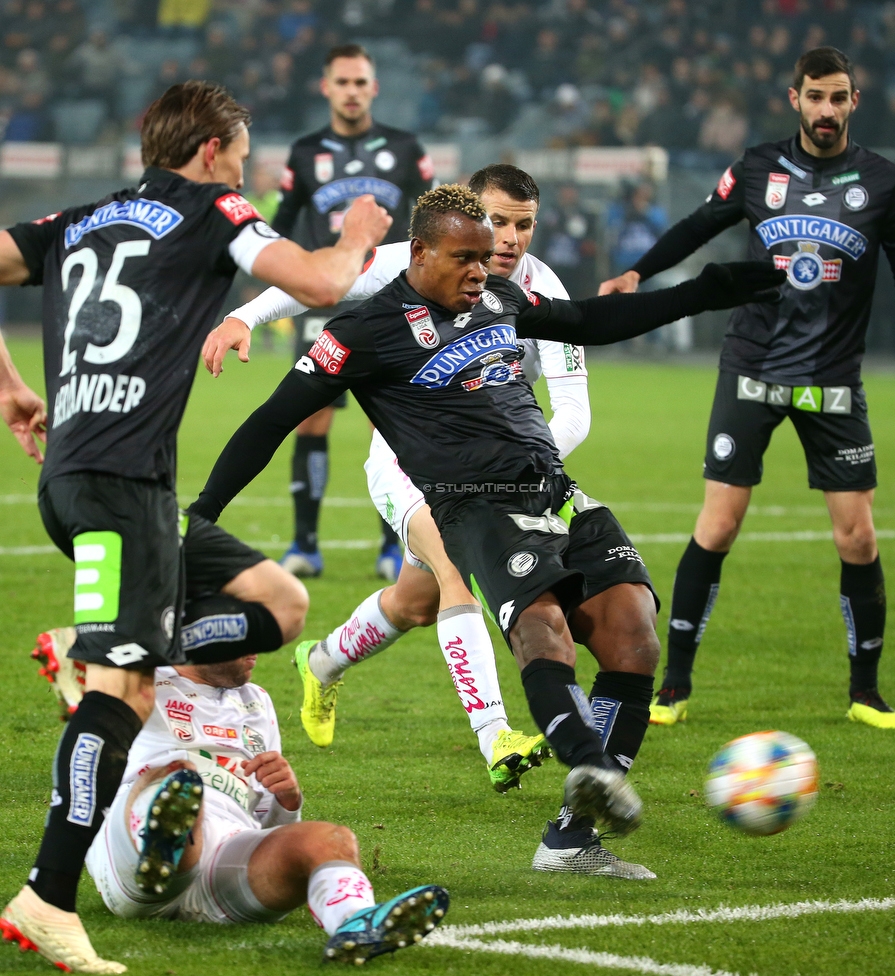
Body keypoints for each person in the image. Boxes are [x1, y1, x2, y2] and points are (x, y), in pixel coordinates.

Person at [189, 184, 786, 879]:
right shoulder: (358, 334)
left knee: (634, 635)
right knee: (542, 625)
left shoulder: (502, 299)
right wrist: (202, 516)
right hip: (476, 507)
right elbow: (268, 422)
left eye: (486, 258)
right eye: (464, 258)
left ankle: (570, 838)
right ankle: (590, 766)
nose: (481, 270)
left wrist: (715, 288)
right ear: (419, 253)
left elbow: (593, 320)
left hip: (556, 491)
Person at [0, 80, 390, 974]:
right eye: (242, 156)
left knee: (278, 603)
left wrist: (10, 388)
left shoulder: (82, 218)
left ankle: (100, 652)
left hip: (83, 483)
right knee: (122, 698)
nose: (244, 170)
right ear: (213, 149)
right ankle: (48, 897)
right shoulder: (214, 207)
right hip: (124, 486)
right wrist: (361, 233)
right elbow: (325, 281)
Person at [211, 164, 588, 796]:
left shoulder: (542, 290)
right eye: (495, 221)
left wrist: (519, 461)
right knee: (450, 570)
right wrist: (244, 317)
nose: (509, 238)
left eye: (523, 225)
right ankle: (496, 736)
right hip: (406, 458)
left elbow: (574, 408)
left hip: (497, 475)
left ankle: (323, 660)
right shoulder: (420, 262)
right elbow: (321, 282)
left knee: (414, 602)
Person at [599, 47, 895, 731]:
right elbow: (701, 225)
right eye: (815, 97)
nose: (826, 110)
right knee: (719, 524)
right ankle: (674, 687)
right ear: (795, 99)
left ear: (854, 101)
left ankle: (866, 694)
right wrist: (638, 273)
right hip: (752, 367)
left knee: (859, 539)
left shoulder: (883, 182)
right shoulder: (758, 168)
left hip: (833, 380)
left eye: (838, 97)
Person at [84, 654, 448, 965]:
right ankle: (159, 855)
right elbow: (81, 672)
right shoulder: (139, 681)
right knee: (180, 780)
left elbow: (265, 827)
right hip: (128, 851)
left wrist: (287, 799)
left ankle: (355, 922)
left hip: (224, 860)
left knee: (330, 840)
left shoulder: (255, 701)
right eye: (243, 634)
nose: (257, 647)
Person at [272, 42, 435, 581]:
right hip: (325, 303)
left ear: (374, 87)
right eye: (342, 82)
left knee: (388, 423)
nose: (351, 91)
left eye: (360, 82)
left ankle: (394, 549)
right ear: (326, 87)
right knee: (310, 418)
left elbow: (430, 221)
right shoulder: (303, 152)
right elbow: (282, 227)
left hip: (392, 305)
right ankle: (304, 545)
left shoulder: (408, 149)